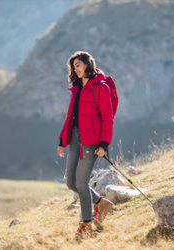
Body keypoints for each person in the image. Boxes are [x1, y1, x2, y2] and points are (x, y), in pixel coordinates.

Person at [57, 51, 114, 239]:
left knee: (82, 183)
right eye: (74, 66)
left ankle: (86, 224)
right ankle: (100, 203)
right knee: (71, 182)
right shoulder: (76, 88)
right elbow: (70, 117)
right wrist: (62, 141)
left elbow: (108, 118)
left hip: (91, 142)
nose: (76, 68)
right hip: (74, 139)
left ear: (88, 64)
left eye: (79, 64)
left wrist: (104, 144)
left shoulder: (101, 87)